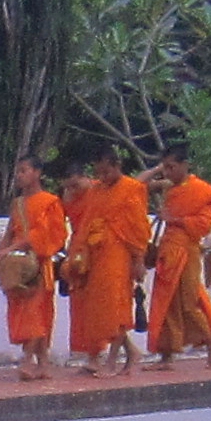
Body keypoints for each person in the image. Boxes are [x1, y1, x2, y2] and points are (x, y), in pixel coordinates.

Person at [67, 149, 150, 377]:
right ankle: (131, 354)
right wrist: (77, 253)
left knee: (118, 308)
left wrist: (139, 261)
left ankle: (112, 361)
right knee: (101, 310)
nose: (102, 177)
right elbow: (85, 225)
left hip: (121, 257)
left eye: (106, 171)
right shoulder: (96, 191)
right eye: (98, 172)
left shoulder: (133, 189)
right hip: (97, 256)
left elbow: (139, 230)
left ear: (117, 165)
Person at [0, 156, 68, 381]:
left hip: (39, 265)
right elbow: (9, 234)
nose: (19, 176)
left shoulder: (50, 202)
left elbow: (48, 235)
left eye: (24, 171)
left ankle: (27, 361)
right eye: (19, 171)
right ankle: (42, 363)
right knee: (25, 313)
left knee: (36, 313)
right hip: (17, 265)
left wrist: (14, 247)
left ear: (37, 173)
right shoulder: (18, 204)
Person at [146, 148, 211, 366]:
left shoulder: (202, 191)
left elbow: (204, 226)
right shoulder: (169, 188)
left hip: (187, 252)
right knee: (165, 303)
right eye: (166, 167)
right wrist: (156, 170)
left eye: (171, 167)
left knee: (190, 303)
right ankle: (166, 355)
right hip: (168, 251)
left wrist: (175, 219)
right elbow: (137, 185)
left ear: (184, 165)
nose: (168, 172)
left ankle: (210, 343)